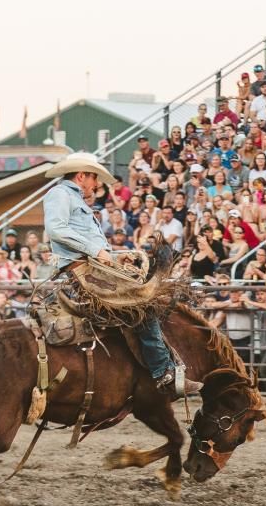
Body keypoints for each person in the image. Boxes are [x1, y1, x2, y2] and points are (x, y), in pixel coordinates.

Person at [42, 151, 201, 398]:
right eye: (94, 178)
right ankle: (164, 374)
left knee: (146, 302)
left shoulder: (74, 199)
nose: (96, 185)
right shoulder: (60, 194)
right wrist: (98, 250)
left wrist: (115, 256)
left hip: (91, 269)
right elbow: (56, 229)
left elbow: (81, 242)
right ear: (82, 175)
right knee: (142, 304)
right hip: (84, 272)